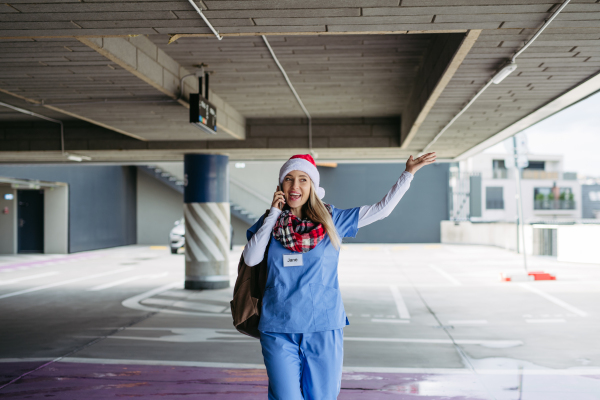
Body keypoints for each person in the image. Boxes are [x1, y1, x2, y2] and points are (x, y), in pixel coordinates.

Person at [242, 152, 436, 400]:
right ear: (280, 186)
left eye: (303, 179)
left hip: (324, 326)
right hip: (279, 327)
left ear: (312, 185)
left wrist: (408, 173)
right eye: (288, 179)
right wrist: (272, 214)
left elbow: (382, 210)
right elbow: (251, 258)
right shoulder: (270, 223)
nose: (295, 186)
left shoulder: (332, 219)